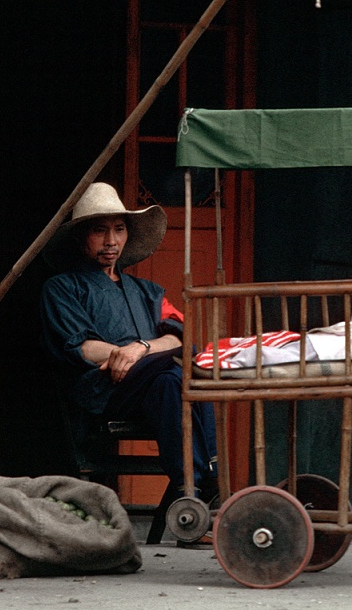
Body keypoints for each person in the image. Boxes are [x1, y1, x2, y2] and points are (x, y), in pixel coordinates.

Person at [40, 182, 217, 500]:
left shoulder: (148, 290)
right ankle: (211, 479)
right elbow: (82, 347)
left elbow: (180, 334)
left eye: (119, 230)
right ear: (81, 235)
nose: (111, 241)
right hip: (103, 390)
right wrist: (127, 354)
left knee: (175, 377)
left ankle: (190, 487)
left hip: (152, 387)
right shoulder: (62, 288)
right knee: (184, 368)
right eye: (99, 230)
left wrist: (139, 350)